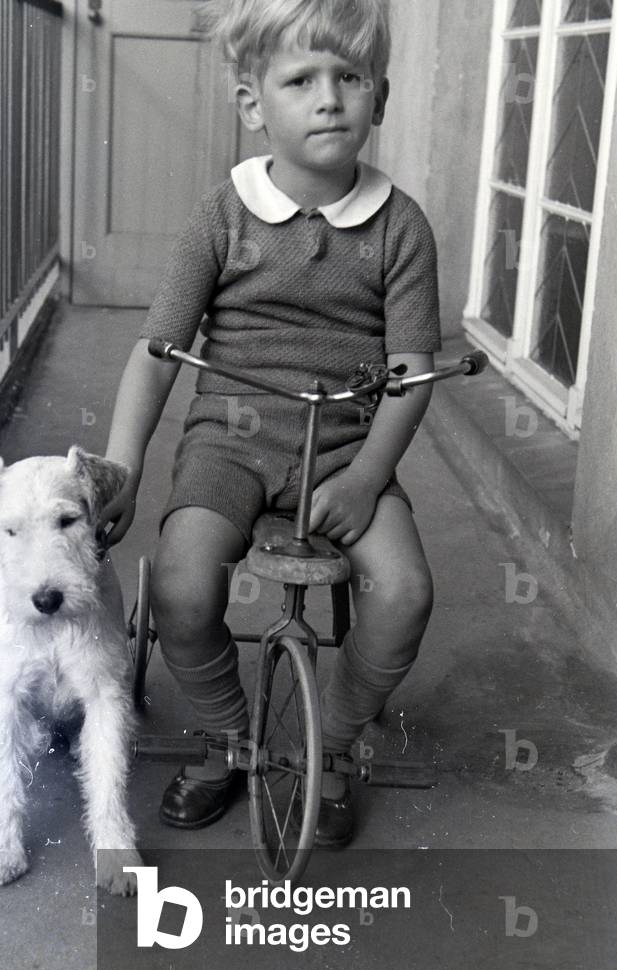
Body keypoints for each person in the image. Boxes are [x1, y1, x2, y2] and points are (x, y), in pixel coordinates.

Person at [101, 0, 441, 847]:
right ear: (254, 104)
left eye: (350, 78)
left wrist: (365, 479)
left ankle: (330, 740)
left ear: (382, 95)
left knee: (402, 591)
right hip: (229, 437)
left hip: (345, 445)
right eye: (301, 81)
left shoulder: (400, 226)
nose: (329, 99)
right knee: (182, 583)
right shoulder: (223, 213)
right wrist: (125, 465)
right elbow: (158, 349)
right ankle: (226, 735)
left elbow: (410, 375)